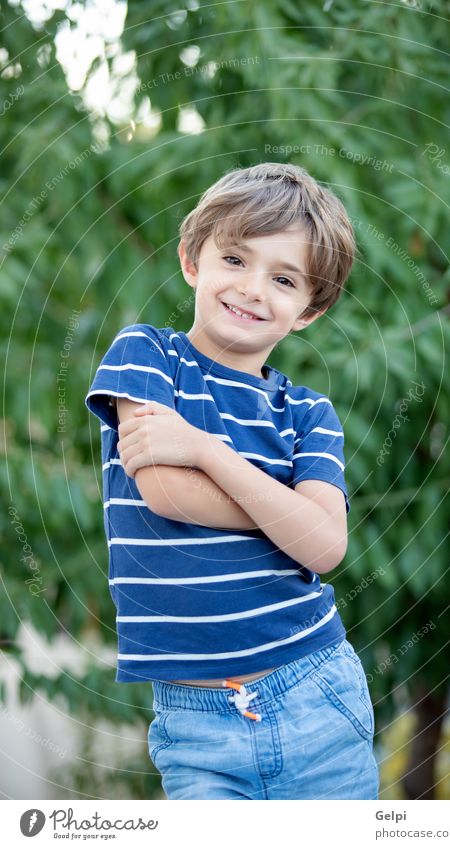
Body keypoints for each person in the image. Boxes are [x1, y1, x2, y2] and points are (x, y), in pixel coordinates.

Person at [85, 161, 380, 800]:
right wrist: (292, 516)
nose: (252, 289)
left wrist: (205, 451)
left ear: (310, 309)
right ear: (193, 260)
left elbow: (328, 550)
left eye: (284, 279)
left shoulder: (309, 416)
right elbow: (165, 492)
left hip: (316, 692)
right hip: (196, 724)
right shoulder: (146, 356)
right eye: (235, 260)